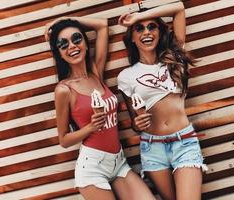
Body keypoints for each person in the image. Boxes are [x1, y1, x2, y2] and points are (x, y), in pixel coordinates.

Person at [45, 16, 155, 200]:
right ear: (60, 54)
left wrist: (62, 20)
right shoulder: (64, 90)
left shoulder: (95, 74)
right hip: (92, 169)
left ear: (86, 44)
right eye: (63, 44)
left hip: (119, 163)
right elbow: (64, 140)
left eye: (76, 39)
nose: (72, 46)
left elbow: (102, 25)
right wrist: (90, 127)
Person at [117, 1, 208, 200]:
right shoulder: (126, 76)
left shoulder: (175, 57)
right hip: (152, 147)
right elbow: (135, 122)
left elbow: (179, 9)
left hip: (184, 142)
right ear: (131, 37)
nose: (146, 32)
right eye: (139, 29)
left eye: (152, 26)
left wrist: (138, 17)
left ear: (160, 32)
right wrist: (137, 123)